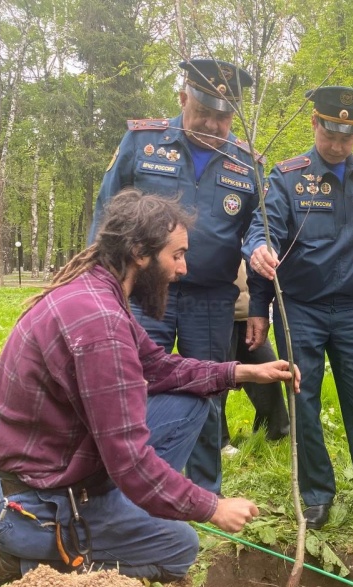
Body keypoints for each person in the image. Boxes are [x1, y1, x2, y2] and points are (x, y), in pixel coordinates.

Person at [0, 191, 299, 587]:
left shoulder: (97, 292)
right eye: (177, 255)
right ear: (139, 254)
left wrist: (243, 371)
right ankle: (14, 560)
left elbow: (160, 367)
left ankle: (124, 513)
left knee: (189, 402)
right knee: (179, 547)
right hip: (23, 505)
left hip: (42, 471)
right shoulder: (102, 325)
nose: (183, 268)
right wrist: (212, 507)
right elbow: (129, 461)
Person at [89, 59, 264, 496]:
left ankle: (205, 492)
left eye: (223, 116)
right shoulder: (143, 141)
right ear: (183, 99)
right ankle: (136, 486)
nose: (212, 124)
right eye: (203, 112)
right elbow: (108, 211)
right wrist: (99, 283)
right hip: (146, 293)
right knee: (135, 387)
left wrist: (259, 283)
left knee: (208, 390)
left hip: (211, 299)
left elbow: (260, 226)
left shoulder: (246, 164)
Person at [243, 86, 353, 538]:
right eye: (330, 134)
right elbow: (263, 227)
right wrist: (259, 250)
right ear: (315, 124)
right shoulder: (287, 176)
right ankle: (317, 495)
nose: (337, 145)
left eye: (347, 137)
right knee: (303, 400)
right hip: (301, 309)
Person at [222, 261, 290, 452]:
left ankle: (275, 433)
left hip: (245, 310)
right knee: (217, 381)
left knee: (267, 370)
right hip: (216, 309)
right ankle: (218, 442)